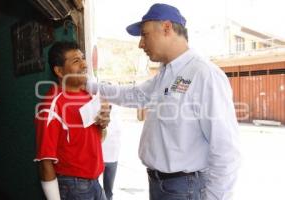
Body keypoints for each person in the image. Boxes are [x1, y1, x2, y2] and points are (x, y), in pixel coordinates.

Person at [86, 3, 240, 200]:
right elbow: (132, 94)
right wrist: (88, 85)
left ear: (167, 28)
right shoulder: (166, 74)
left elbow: (226, 149)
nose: (141, 44)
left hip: (185, 188)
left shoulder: (204, 74)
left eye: (144, 34)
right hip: (161, 185)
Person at [34, 41, 110, 200]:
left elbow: (97, 140)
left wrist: (103, 125)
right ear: (59, 71)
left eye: (83, 58)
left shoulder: (88, 97)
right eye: (76, 61)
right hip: (73, 187)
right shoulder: (51, 105)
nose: (84, 64)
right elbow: (45, 162)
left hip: (95, 182)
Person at [102, 104, 122, 200]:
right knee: (92, 189)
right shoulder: (95, 101)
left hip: (113, 156)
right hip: (97, 155)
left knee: (108, 192)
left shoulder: (117, 104)